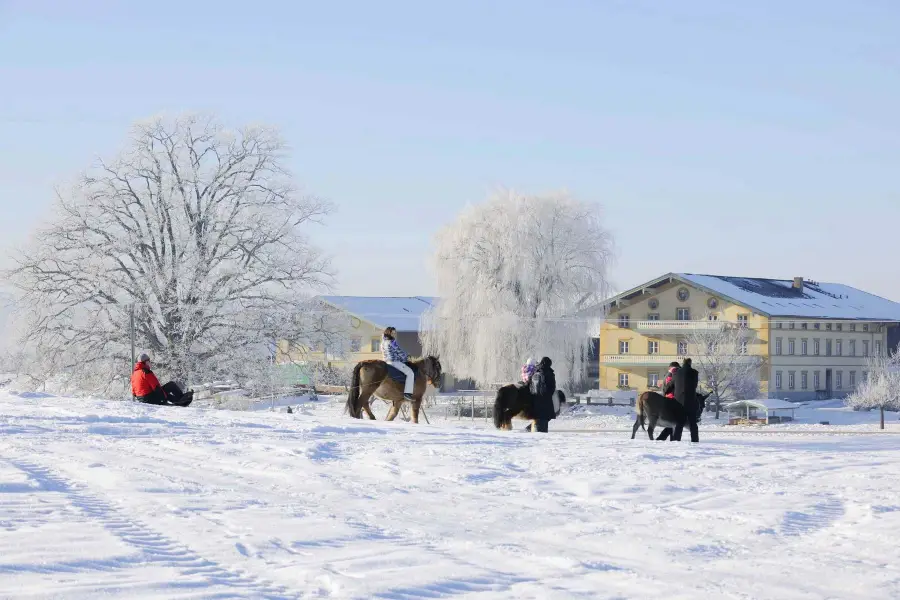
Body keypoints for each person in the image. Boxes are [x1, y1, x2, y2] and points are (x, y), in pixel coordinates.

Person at [381, 327, 415, 400]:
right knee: (410, 373)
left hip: (386, 362)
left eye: (395, 333)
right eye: (393, 333)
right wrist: (407, 356)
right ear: (389, 333)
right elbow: (400, 352)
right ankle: (407, 393)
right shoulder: (392, 342)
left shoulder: (383, 342)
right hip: (394, 362)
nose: (394, 334)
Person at [672, 357, 700, 442]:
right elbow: (695, 386)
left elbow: (674, 385)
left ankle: (676, 440)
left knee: (679, 423)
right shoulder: (694, 372)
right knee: (693, 423)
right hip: (690, 401)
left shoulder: (676, 373)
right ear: (690, 363)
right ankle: (695, 440)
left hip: (678, 402)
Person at [529, 356, 557, 433]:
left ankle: (534, 429)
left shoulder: (535, 370)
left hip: (536, 398)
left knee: (538, 417)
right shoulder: (549, 372)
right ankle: (542, 433)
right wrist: (548, 395)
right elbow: (552, 387)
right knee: (545, 418)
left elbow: (530, 384)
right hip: (545, 399)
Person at [656, 361, 681, 441]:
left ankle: (664, 439)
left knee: (672, 423)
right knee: (674, 422)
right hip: (671, 399)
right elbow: (669, 387)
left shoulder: (668, 375)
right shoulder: (671, 375)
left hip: (668, 399)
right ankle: (664, 439)